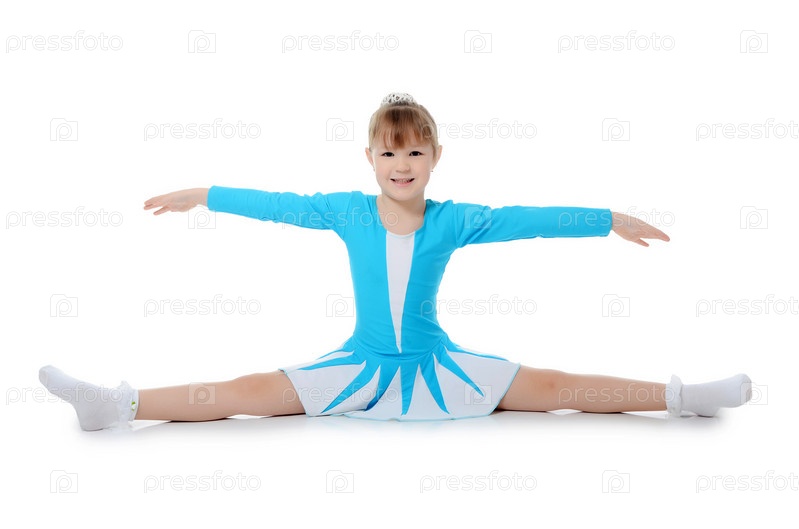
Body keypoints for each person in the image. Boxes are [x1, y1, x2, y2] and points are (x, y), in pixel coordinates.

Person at [38, 93, 752, 431]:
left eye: (414, 150)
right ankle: (118, 404)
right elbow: (278, 204)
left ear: (435, 156)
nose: (401, 163)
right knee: (248, 389)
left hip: (442, 366)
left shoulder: (454, 220)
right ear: (370, 158)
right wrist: (206, 194)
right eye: (388, 151)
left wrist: (605, 219)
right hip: (362, 363)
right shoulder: (346, 211)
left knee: (558, 384)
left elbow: (524, 220)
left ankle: (684, 396)